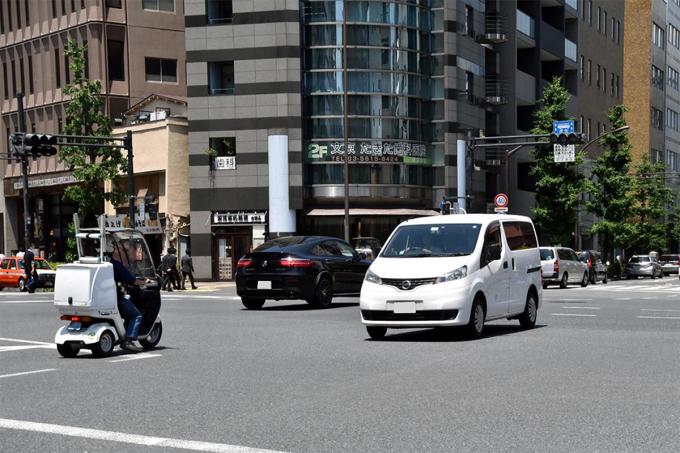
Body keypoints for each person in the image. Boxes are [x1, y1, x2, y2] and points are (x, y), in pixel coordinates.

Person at [107, 238, 145, 352]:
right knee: (136, 315)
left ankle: (121, 336)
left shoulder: (99, 264)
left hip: (99, 301)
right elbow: (131, 280)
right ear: (113, 250)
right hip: (115, 300)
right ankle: (128, 341)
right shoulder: (115, 265)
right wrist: (145, 281)